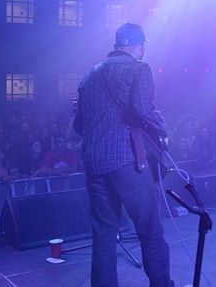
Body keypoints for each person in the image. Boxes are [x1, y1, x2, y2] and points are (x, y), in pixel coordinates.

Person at [73, 23, 172, 287]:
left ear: (117, 45)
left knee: (104, 235)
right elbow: (142, 109)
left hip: (94, 164)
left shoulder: (89, 75)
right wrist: (163, 128)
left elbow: (79, 126)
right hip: (128, 162)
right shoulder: (140, 69)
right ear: (140, 46)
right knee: (150, 231)